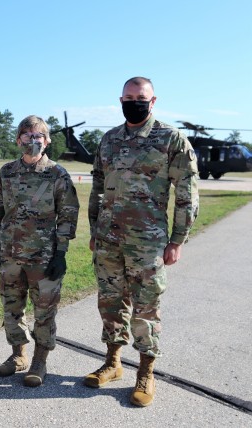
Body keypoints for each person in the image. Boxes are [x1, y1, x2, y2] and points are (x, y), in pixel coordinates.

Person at [84, 77, 199, 407]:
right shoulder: (109, 140)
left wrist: (177, 239)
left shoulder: (170, 139)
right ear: (120, 99)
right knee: (110, 302)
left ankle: (146, 372)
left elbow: (187, 193)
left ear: (153, 101)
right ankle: (113, 362)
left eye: (141, 97)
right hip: (108, 239)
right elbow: (98, 189)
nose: (134, 101)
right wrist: (95, 230)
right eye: (129, 97)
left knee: (146, 309)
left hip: (147, 242)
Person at [0, 115, 79, 387]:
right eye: (27, 136)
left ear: (47, 140)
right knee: (11, 308)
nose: (33, 140)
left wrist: (61, 253)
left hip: (44, 257)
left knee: (44, 311)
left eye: (38, 136)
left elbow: (68, 215)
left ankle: (40, 361)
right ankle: (18, 355)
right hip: (10, 254)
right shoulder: (7, 172)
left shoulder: (57, 174)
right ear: (18, 140)